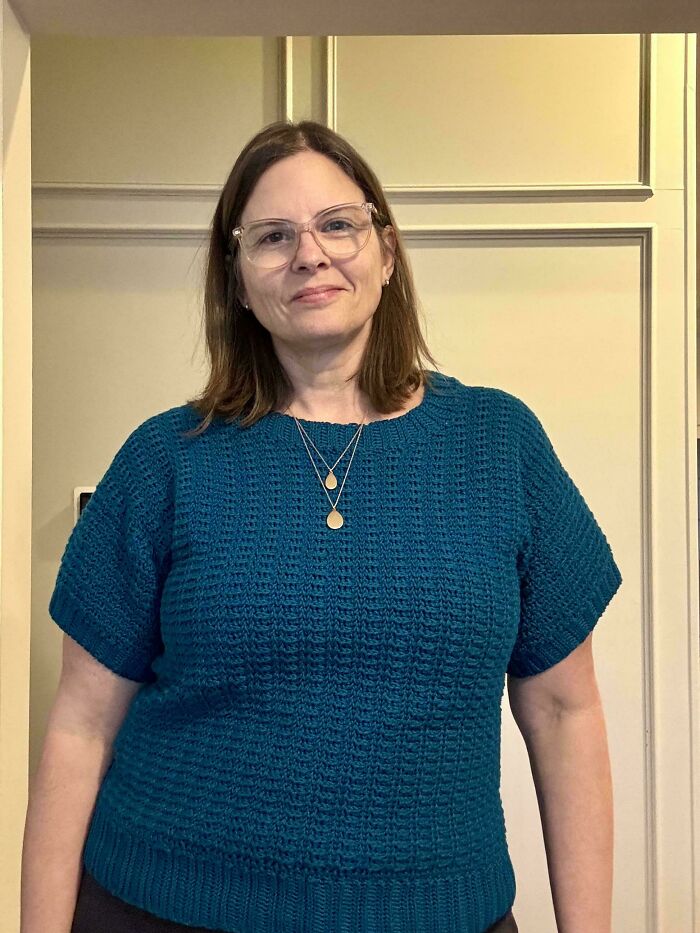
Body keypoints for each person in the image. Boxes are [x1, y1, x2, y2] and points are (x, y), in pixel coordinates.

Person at [22, 119, 623, 933]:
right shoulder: (167, 459)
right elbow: (80, 725)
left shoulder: (498, 443)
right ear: (237, 280)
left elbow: (563, 712)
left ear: (386, 250)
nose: (309, 254)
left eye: (338, 224)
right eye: (272, 236)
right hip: (161, 909)